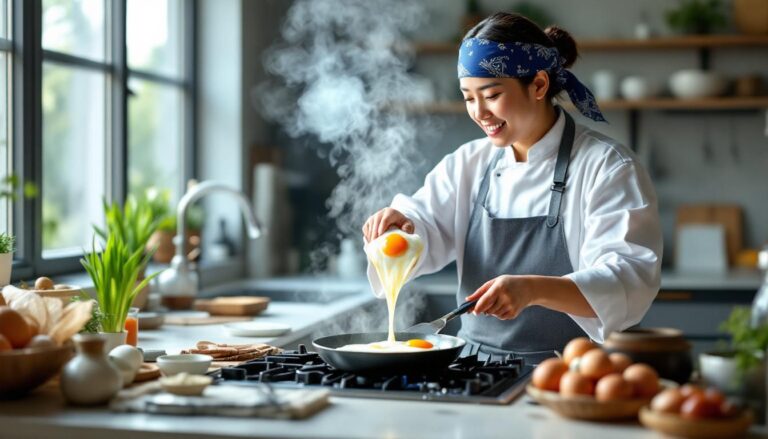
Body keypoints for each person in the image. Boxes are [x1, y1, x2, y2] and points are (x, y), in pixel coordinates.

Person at [362, 12, 663, 364]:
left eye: (490, 95)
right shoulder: (467, 163)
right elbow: (425, 222)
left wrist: (532, 289)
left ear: (538, 85)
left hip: (569, 375)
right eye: (468, 97)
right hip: (470, 369)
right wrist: (402, 226)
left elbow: (628, 278)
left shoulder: (606, 167)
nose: (479, 112)